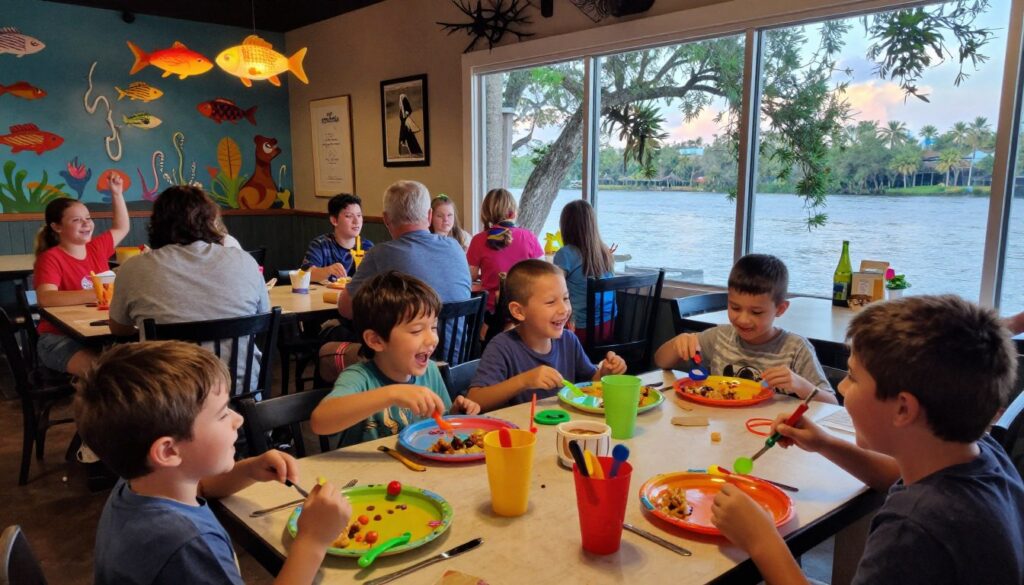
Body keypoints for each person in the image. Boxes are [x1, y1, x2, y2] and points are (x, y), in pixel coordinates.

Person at [711, 295, 1024, 585]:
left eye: (853, 377)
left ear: (903, 408)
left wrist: (761, 541)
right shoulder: (979, 452)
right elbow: (895, 476)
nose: (843, 388)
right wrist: (824, 443)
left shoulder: (913, 529)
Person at [77, 341, 351, 585]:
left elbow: (200, 487)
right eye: (222, 415)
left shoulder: (138, 481)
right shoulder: (186, 545)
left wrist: (249, 470)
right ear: (168, 451)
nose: (238, 419)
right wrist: (313, 541)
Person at [109, 186, 269, 390]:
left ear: (156, 224)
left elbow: (118, 328)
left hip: (169, 397)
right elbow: (262, 316)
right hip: (239, 387)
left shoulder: (133, 268)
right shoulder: (245, 261)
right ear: (211, 221)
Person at [311, 271, 480, 447]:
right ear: (376, 340)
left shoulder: (430, 371)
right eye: (416, 331)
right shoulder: (360, 378)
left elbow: (440, 424)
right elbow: (319, 421)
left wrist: (454, 412)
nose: (432, 339)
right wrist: (391, 394)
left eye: (434, 327)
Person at [654, 254, 836, 404]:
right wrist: (678, 342)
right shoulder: (720, 338)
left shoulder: (795, 348)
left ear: (780, 309)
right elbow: (661, 361)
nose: (743, 319)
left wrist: (802, 386)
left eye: (756, 312)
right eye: (735, 308)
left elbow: (832, 405)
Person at [466, 259, 626, 411]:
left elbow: (590, 383)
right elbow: (475, 399)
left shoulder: (569, 340)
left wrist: (605, 373)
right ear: (519, 311)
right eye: (551, 302)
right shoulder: (502, 346)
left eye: (566, 298)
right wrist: (524, 381)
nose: (564, 309)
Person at [33, 172, 129, 376]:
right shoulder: (51, 258)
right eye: (77, 220)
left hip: (97, 333)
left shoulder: (97, 248)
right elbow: (45, 298)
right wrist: (99, 293)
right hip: (58, 339)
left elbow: (121, 227)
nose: (86, 224)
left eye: (88, 218)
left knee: (133, 367)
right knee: (105, 374)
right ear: (56, 227)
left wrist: (117, 194)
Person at [467, 188, 543, 316]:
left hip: (491, 312)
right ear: (513, 213)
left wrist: (486, 281)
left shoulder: (478, 240)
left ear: (485, 214)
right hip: (524, 310)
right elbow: (541, 273)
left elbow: (470, 276)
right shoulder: (529, 236)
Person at [553, 200, 616, 345]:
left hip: (579, 330)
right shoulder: (604, 252)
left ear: (566, 226)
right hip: (609, 326)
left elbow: (555, 289)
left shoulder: (565, 254)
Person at [301, 193, 373, 284]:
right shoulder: (321, 244)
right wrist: (328, 271)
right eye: (349, 216)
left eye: (359, 215)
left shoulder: (367, 247)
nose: (356, 221)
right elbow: (304, 273)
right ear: (334, 220)